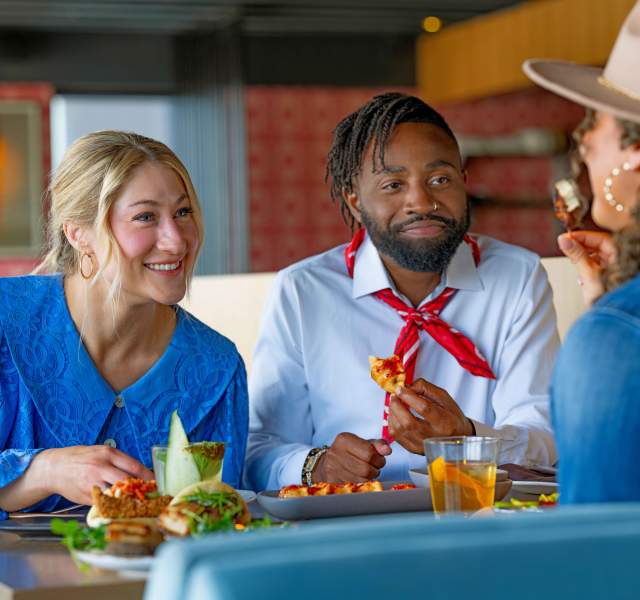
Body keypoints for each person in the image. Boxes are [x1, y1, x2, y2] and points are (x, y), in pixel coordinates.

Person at [244, 93, 560, 491]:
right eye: (393, 184)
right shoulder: (302, 292)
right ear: (354, 200)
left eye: (440, 179)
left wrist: (465, 440)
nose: (421, 202)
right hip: (345, 527)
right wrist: (317, 467)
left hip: (474, 520)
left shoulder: (517, 277)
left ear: (464, 181)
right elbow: (256, 449)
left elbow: (545, 436)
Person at [0, 131, 248, 518]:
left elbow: (215, 520)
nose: (176, 241)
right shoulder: (5, 322)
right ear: (79, 233)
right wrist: (43, 471)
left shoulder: (216, 368)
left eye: (183, 213)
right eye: (145, 217)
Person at [524, 1, 640, 503]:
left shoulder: (613, 339)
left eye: (597, 119)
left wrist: (610, 323)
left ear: (636, 156)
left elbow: (600, 554)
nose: (583, 139)